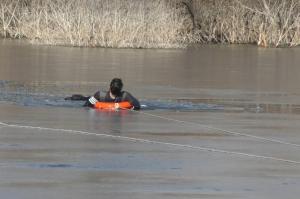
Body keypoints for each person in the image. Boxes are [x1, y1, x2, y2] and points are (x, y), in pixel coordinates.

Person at [65, 78, 140, 110]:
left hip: (98, 100)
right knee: (83, 98)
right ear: (121, 89)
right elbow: (87, 105)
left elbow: (136, 106)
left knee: (89, 98)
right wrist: (98, 108)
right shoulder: (101, 95)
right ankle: (74, 97)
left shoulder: (124, 96)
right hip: (98, 101)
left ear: (109, 87)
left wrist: (123, 108)